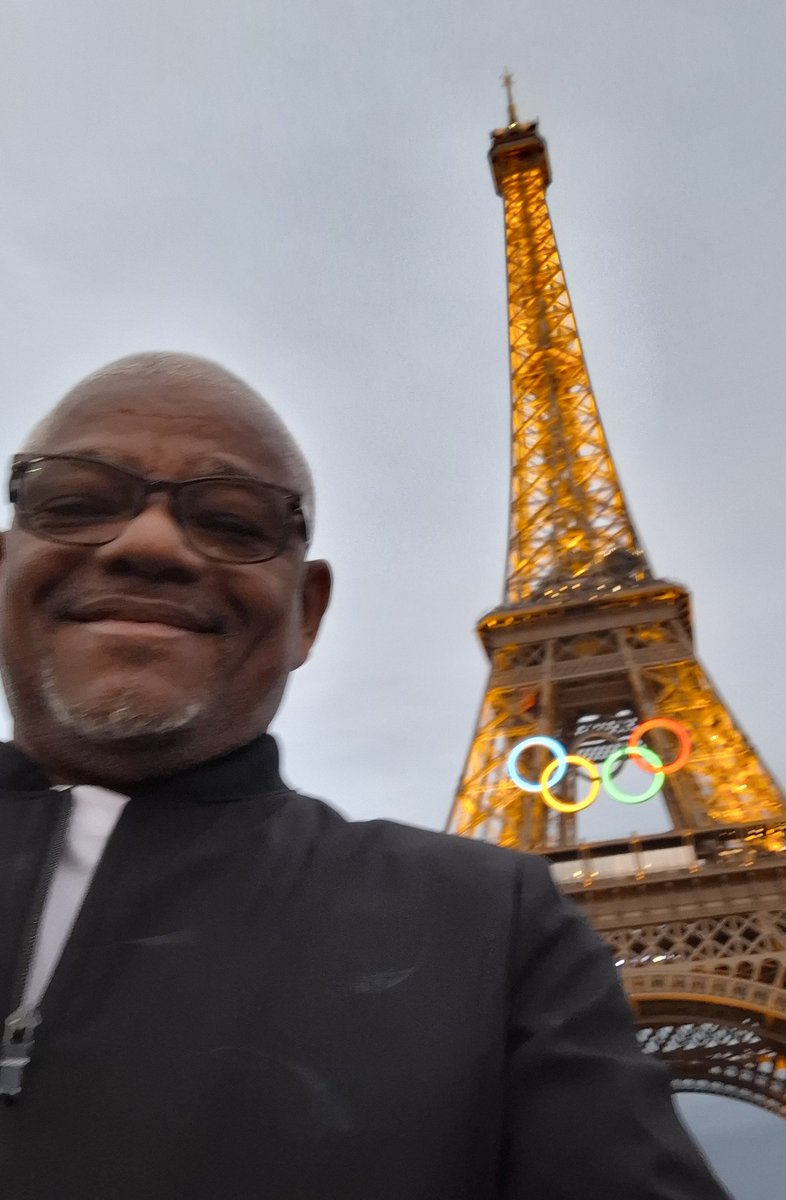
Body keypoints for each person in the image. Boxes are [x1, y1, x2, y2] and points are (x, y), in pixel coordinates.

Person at [0, 352, 731, 1199]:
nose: (151, 542)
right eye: (78, 503)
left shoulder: (491, 925)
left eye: (235, 522)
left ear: (307, 614)